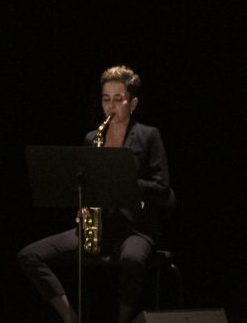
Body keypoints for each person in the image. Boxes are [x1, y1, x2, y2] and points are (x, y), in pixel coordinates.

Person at [17, 65, 172, 323]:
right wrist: (83, 203)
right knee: (29, 255)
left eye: (118, 99)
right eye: (105, 99)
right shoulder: (93, 137)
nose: (111, 106)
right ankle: (71, 317)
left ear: (132, 104)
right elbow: (85, 184)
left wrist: (125, 181)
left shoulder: (148, 135)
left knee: (133, 259)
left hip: (134, 228)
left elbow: (162, 187)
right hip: (98, 228)